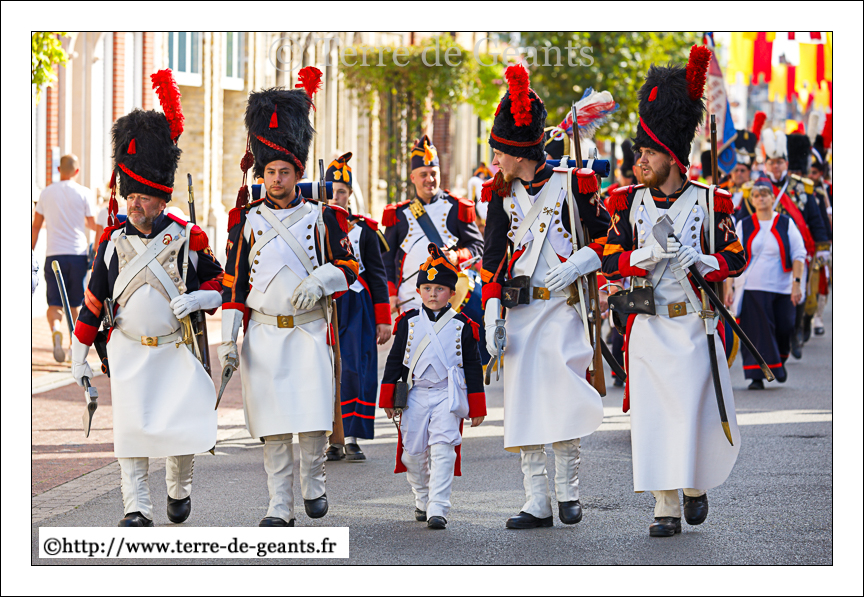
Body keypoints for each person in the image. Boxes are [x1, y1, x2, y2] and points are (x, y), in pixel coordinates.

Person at [601, 46, 747, 538]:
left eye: (648, 153)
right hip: (647, 323)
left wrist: (704, 260)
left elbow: (736, 256)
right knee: (652, 418)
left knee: (691, 413)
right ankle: (664, 505)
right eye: (639, 152)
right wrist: (638, 256)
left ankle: (694, 484)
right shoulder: (626, 203)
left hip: (693, 324)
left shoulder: (710, 201)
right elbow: (608, 257)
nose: (639, 160)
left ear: (672, 156)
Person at [70, 70, 223, 527]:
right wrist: (79, 355)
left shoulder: (189, 237)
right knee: (130, 435)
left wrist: (198, 300)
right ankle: (136, 508)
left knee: (179, 430)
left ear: (161, 199)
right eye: (130, 196)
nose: (135, 204)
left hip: (176, 349)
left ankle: (179, 488)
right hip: (129, 351)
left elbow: (222, 284)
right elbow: (94, 301)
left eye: (144, 198)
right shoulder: (111, 241)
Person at [218, 73, 359, 527]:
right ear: (260, 174)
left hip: (309, 330)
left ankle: (314, 480)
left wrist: (322, 278)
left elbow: (350, 268)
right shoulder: (246, 221)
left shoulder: (325, 217)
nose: (276, 179)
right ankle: (279, 506)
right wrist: (228, 338)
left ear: (298, 174)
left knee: (314, 418)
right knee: (274, 427)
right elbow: (234, 285)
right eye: (269, 172)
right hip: (263, 334)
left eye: (284, 172)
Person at [480, 64, 610, 529]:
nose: (495, 158)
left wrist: (578, 263)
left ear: (519, 152)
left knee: (563, 397)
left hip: (562, 309)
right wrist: (492, 310)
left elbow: (609, 239)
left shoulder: (574, 184)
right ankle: (536, 499)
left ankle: (568, 492)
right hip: (520, 311)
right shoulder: (499, 193)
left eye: (499, 151)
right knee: (524, 405)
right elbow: (493, 256)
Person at [379, 243, 486, 530]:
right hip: (415, 394)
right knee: (412, 455)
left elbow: (473, 366)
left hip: (446, 395)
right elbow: (395, 360)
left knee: (443, 449)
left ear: (452, 292)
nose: (433, 294)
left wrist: (477, 407)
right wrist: (388, 398)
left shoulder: (464, 325)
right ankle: (422, 496)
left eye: (440, 289)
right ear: (419, 291)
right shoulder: (408, 322)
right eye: (427, 288)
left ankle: (438, 506)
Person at [323, 152, 392, 462]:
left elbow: (377, 275)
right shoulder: (314, 225)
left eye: (341, 191)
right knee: (325, 369)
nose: (336, 196)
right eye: (331, 191)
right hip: (326, 305)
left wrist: (383, 319)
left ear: (349, 194)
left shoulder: (365, 230)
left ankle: (350, 436)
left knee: (354, 369)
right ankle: (331, 438)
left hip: (358, 307)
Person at [381, 135, 484, 315]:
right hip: (410, 300)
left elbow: (477, 246)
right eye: (423, 174)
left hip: (450, 302)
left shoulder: (456, 207)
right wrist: (390, 294)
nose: (430, 179)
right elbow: (386, 260)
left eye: (433, 173)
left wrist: (457, 256)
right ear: (413, 178)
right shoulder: (399, 214)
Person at [725, 178, 806, 389]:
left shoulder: (786, 223)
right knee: (757, 332)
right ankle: (757, 376)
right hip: (752, 287)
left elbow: (799, 254)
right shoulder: (744, 224)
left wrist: (796, 283)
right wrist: (729, 286)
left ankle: (779, 360)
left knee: (785, 326)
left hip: (782, 287)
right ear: (752, 200)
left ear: (772, 197)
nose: (760, 199)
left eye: (764, 195)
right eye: (756, 196)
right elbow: (733, 256)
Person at [757, 130, 830, 356]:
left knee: (798, 293)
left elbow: (815, 220)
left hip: (796, 251)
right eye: (772, 162)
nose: (776, 166)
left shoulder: (801, 188)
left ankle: (796, 332)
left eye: (779, 162)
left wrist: (822, 246)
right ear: (766, 165)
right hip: (767, 252)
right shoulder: (757, 189)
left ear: (786, 164)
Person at [32, 154, 98, 362]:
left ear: (59, 170)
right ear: (77, 171)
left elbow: (36, 226)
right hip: (77, 255)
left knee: (54, 303)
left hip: (54, 254)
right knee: (75, 304)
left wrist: (30, 251)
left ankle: (55, 331)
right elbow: (93, 224)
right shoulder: (84, 193)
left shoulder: (46, 193)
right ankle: (73, 347)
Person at [808, 131, 832, 336]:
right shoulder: (803, 191)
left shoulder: (828, 191)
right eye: (809, 172)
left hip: (826, 240)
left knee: (823, 280)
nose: (811, 176)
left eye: (815, 173)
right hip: (808, 241)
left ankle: (818, 317)